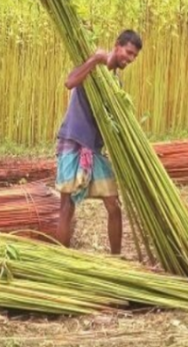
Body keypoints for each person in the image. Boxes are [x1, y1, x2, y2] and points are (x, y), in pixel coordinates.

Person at [54, 29, 143, 255]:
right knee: (67, 206)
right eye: (128, 52)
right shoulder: (94, 68)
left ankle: (115, 259)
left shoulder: (115, 84)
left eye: (134, 56)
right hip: (73, 139)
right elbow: (69, 82)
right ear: (117, 45)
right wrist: (94, 60)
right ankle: (62, 259)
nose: (130, 59)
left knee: (114, 206)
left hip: (94, 148)